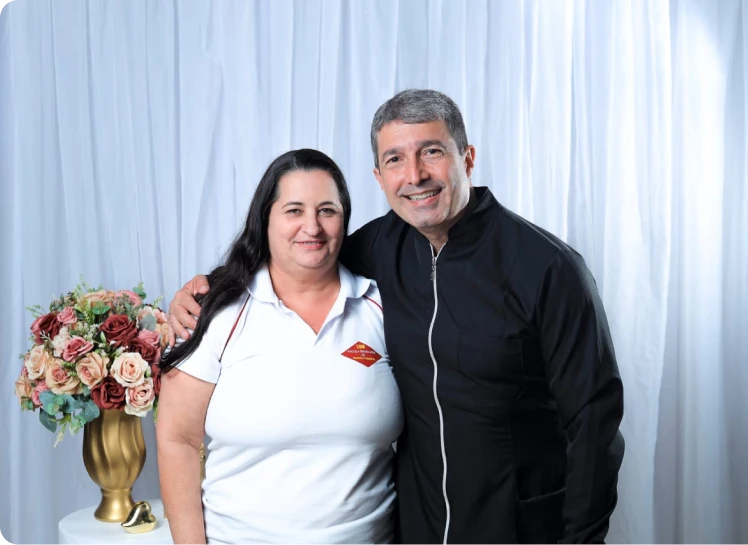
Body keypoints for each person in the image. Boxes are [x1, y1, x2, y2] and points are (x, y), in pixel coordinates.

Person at [169, 90, 625, 545]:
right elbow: (300, 255)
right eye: (395, 160)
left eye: (432, 152)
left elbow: (594, 420)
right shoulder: (375, 252)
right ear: (379, 176)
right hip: (415, 531)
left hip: (519, 529)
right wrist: (206, 290)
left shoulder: (547, 268)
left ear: (467, 158)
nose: (415, 175)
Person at [156, 149, 403, 545]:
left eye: (327, 210)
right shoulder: (214, 311)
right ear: (265, 219)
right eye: (294, 211)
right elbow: (177, 440)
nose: (312, 227)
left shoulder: (382, 306)